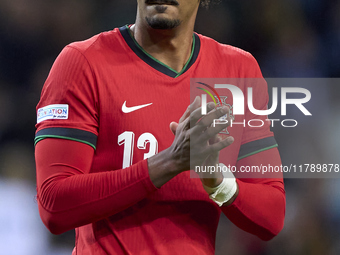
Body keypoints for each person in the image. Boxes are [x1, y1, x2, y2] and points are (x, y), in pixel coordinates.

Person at [34, 0, 286, 254]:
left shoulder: (238, 71)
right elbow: (53, 206)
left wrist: (216, 181)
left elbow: (272, 217)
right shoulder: (82, 62)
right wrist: (169, 163)